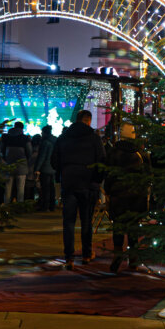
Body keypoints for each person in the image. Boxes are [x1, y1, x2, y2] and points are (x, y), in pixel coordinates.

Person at [51, 109, 106, 269]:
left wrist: (63, 172)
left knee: (68, 221)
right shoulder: (94, 138)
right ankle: (86, 254)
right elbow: (102, 160)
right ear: (88, 121)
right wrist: (96, 180)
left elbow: (54, 160)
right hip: (87, 184)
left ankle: (69, 257)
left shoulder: (63, 137)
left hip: (69, 183)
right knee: (86, 221)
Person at [105, 122, 149, 272]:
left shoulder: (113, 152)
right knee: (133, 226)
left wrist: (108, 191)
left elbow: (109, 173)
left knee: (118, 225)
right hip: (136, 194)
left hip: (118, 193)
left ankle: (117, 254)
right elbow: (147, 174)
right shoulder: (140, 153)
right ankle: (133, 257)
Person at [0, 121, 31, 204]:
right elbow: (29, 151)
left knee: (7, 188)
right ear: (22, 128)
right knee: (20, 189)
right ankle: (19, 206)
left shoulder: (5, 137)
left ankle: (6, 205)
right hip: (22, 166)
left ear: (14, 127)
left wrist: (3, 161)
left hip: (8, 165)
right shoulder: (25, 138)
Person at [33, 125, 57, 211]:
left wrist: (36, 168)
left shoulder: (45, 142)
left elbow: (42, 157)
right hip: (53, 168)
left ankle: (45, 206)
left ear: (45, 133)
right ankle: (52, 206)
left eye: (42, 132)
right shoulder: (55, 141)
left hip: (45, 168)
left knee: (45, 188)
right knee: (52, 187)